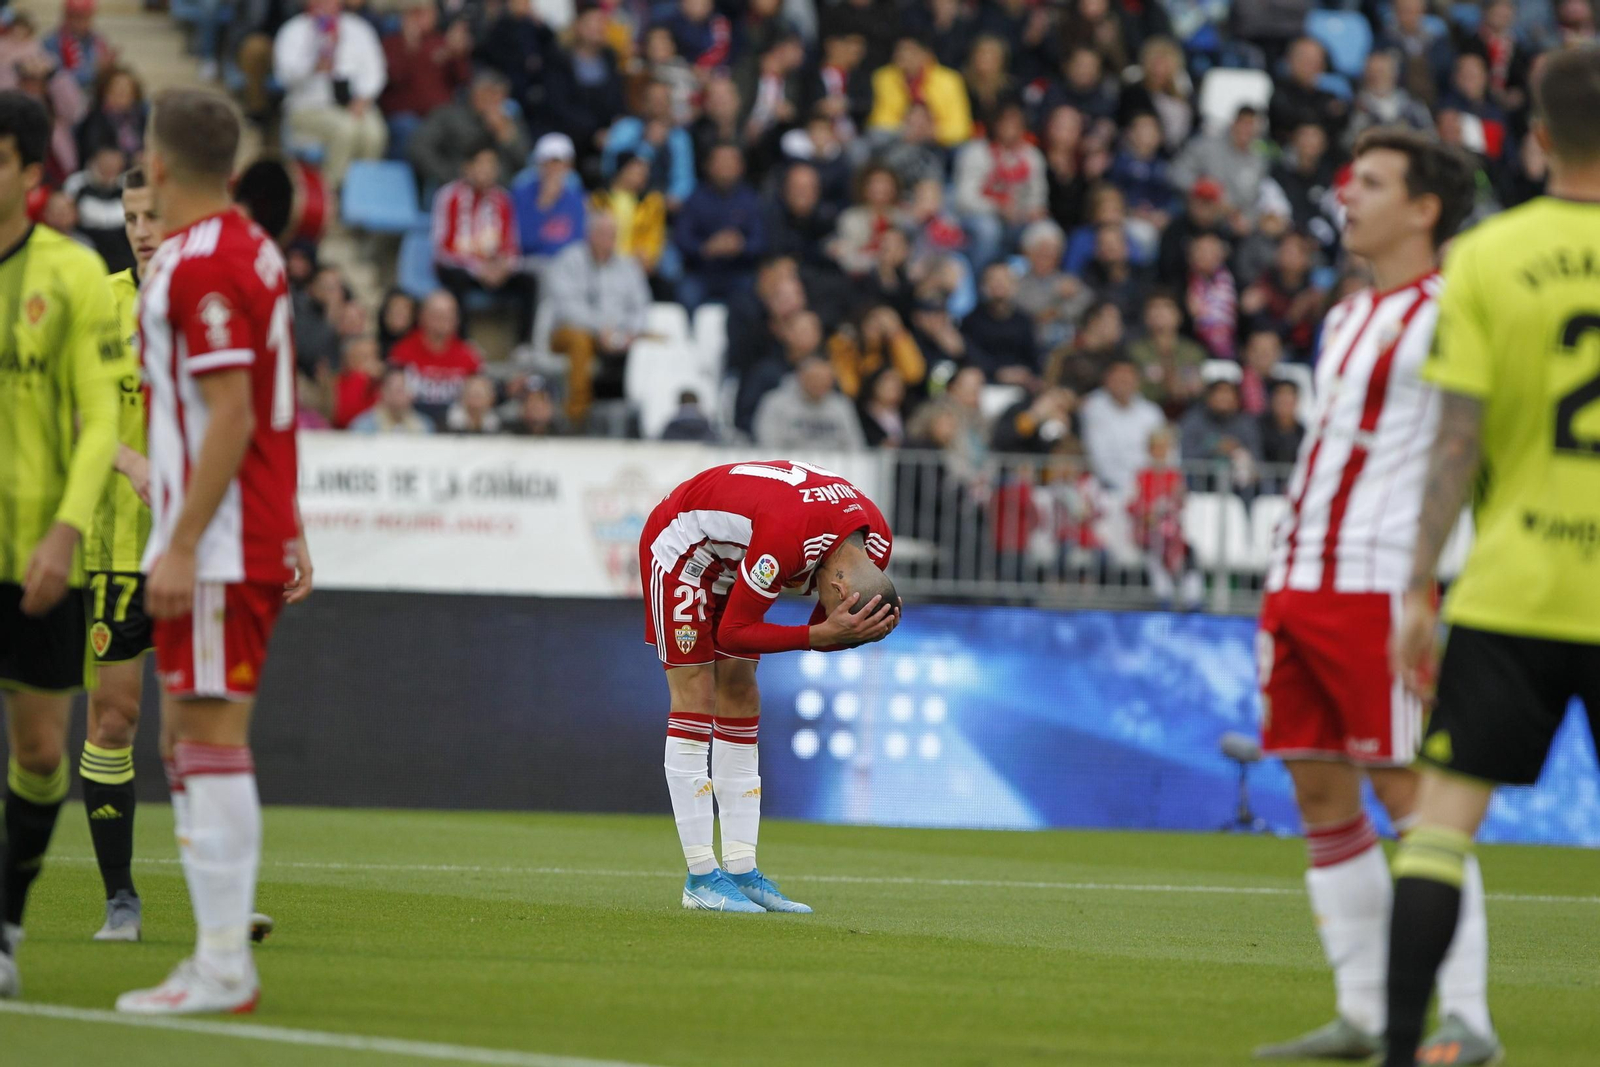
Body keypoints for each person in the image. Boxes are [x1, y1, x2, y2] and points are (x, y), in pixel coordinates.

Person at [1252, 127, 1488, 1062]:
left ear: (1425, 208)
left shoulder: (1451, 309)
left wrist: (1429, 581)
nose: (1347, 194)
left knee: (1410, 792)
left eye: (1374, 183)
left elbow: (1464, 445)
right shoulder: (1348, 313)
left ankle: (1467, 1015)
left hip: (1380, 582)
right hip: (1298, 579)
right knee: (1316, 783)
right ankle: (1359, 1011)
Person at [1384, 51, 1600, 1067]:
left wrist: (1419, 586)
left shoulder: (1485, 254)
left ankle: (1394, 1048)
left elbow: (1454, 443)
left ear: (1537, 139)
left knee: (1439, 827)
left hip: (1513, 587)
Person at [112, 88, 300, 1015]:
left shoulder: (204, 264)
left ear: (162, 155)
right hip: (237, 531)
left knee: (209, 736)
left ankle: (226, 965)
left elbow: (232, 409)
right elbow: (272, 405)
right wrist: (290, 518)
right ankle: (214, 949)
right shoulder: (251, 248)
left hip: (219, 542)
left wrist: (182, 542)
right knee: (183, 735)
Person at [639, 459, 898, 912]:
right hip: (684, 549)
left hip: (737, 557)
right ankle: (700, 877)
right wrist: (816, 637)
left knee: (740, 689)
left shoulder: (876, 540)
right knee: (696, 692)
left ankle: (740, 870)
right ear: (840, 585)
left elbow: (828, 629)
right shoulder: (787, 540)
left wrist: (840, 635)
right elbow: (735, 632)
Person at [0, 90, 126, 1000]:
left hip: (40, 557)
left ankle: (7, 920)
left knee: (42, 750)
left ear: (29, 172)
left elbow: (95, 424)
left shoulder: (72, 274)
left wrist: (66, 529)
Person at [544, 211, 651, 429]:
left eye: (612, 234)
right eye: (601, 233)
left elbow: (642, 307)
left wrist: (630, 331)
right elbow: (566, 307)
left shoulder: (628, 266)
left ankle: (644, 422)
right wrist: (600, 330)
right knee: (580, 341)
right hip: (569, 333)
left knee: (654, 347)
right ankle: (576, 419)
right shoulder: (569, 260)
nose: (607, 239)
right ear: (589, 234)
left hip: (619, 336)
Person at [273, 0, 388, 190]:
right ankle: (331, 192)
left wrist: (363, 98)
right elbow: (284, 76)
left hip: (355, 104)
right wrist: (313, 66)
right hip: (307, 108)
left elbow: (376, 70)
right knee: (345, 129)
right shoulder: (293, 31)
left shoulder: (359, 29)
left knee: (374, 132)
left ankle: (360, 193)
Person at [431, 139, 530, 339]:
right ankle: (462, 341)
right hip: (462, 268)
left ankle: (523, 345)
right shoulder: (448, 196)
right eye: (481, 164)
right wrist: (477, 269)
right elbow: (442, 249)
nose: (487, 170)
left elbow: (512, 244)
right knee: (457, 279)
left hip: (494, 269)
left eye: (492, 165)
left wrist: (504, 267)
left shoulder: (503, 199)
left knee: (530, 281)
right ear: (467, 168)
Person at [672, 141, 766, 311]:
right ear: (708, 166)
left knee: (754, 295)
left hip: (739, 272)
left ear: (741, 166)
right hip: (701, 272)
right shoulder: (694, 199)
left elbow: (761, 241)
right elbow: (681, 238)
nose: (726, 166)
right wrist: (705, 248)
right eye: (720, 161)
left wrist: (740, 245)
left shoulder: (751, 200)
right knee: (686, 294)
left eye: (731, 161)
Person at [409, 71, 529, 194]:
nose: (496, 101)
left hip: (496, 193)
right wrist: (451, 174)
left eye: (501, 96)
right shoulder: (448, 115)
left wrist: (506, 135)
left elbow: (523, 161)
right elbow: (419, 148)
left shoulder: (508, 122)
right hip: (452, 186)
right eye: (491, 93)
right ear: (476, 93)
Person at [388, 290, 484, 425]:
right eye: (437, 315)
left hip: (456, 427)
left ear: (457, 319)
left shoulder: (469, 355)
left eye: (448, 315)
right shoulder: (403, 351)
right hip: (412, 425)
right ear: (422, 316)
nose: (442, 321)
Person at [1079, 357, 1166, 493]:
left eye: (1127, 379)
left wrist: (1146, 485)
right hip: (1106, 489)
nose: (1123, 383)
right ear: (1106, 380)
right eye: (1118, 379)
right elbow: (1099, 457)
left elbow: (1164, 453)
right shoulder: (1093, 407)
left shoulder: (1151, 412)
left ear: (1137, 381)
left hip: (1146, 489)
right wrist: (1129, 487)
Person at [867, 37, 972, 148]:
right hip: (899, 139)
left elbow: (961, 128)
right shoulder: (883, 78)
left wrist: (932, 133)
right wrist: (906, 131)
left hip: (941, 143)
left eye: (910, 51)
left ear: (926, 55)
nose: (903, 55)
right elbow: (879, 122)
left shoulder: (950, 80)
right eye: (900, 51)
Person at [753, 355, 868, 451]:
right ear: (800, 377)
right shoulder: (775, 402)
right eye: (815, 378)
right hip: (788, 468)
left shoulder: (841, 405)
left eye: (826, 379)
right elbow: (767, 443)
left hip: (832, 469)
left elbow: (855, 445)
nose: (820, 383)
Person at [350, 366, 436, 434]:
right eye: (398, 390)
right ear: (383, 392)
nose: (403, 395)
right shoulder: (363, 427)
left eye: (406, 389)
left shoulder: (425, 426)